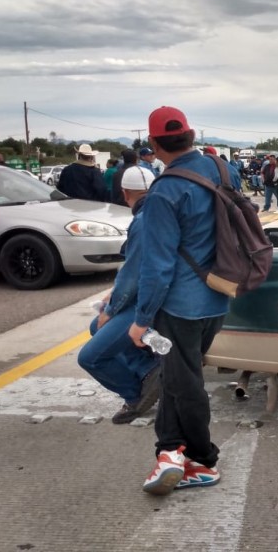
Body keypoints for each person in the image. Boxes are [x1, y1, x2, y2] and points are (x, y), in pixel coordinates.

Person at [129, 106, 230, 495]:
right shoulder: (222, 171)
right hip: (219, 297)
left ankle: (204, 460)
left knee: (186, 383)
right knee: (176, 376)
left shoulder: (163, 194)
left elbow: (156, 267)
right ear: (190, 136)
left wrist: (141, 320)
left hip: (180, 307)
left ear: (153, 145)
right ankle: (169, 451)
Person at [78, 166, 160, 424]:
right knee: (96, 327)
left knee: (90, 357)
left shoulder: (145, 220)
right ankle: (149, 370)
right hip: (159, 294)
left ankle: (136, 395)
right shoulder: (159, 212)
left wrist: (111, 310)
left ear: (124, 193)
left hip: (152, 301)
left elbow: (135, 274)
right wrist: (113, 295)